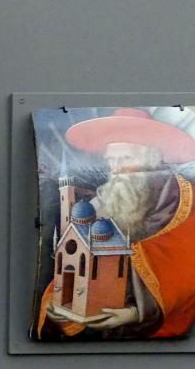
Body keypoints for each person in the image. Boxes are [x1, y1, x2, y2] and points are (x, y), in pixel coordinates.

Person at [39, 108, 195, 340]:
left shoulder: (185, 199)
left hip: (160, 332)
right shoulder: (101, 202)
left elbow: (187, 269)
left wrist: (135, 313)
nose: (116, 169)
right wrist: (59, 302)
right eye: (111, 160)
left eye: (126, 159)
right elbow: (76, 259)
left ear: (152, 159)